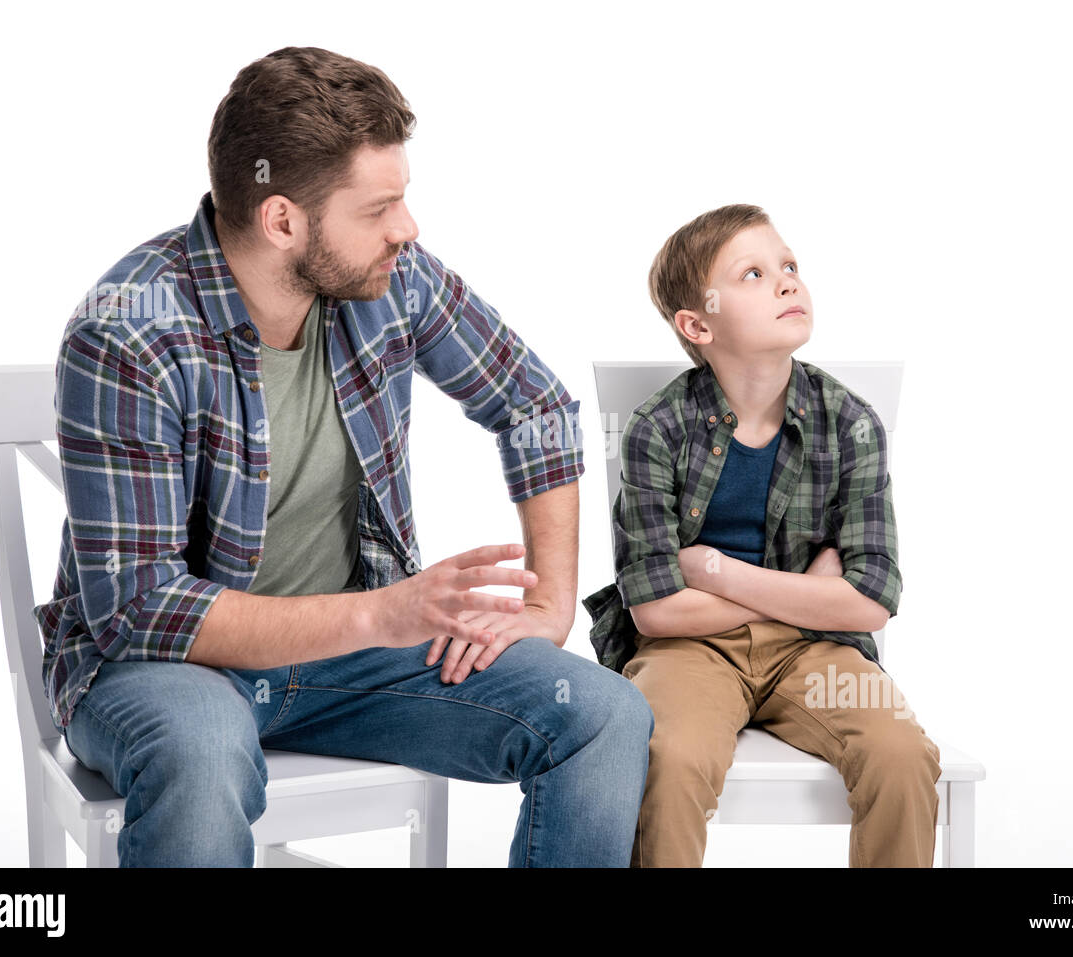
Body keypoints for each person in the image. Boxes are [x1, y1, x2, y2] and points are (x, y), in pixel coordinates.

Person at [35, 46, 652, 868]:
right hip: (165, 669)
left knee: (604, 714)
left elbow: (535, 405)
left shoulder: (392, 280)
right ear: (283, 219)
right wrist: (381, 613)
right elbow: (139, 609)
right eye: (379, 207)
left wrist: (551, 603)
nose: (408, 227)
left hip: (348, 663)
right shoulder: (130, 329)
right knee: (203, 748)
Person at [582, 204, 941, 867]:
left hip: (813, 649)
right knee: (668, 757)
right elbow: (657, 611)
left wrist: (714, 569)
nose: (786, 282)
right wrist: (808, 589)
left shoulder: (851, 422)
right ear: (699, 323)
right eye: (753, 273)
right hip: (689, 649)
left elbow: (870, 599)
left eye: (790, 266)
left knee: (900, 753)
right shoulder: (655, 428)